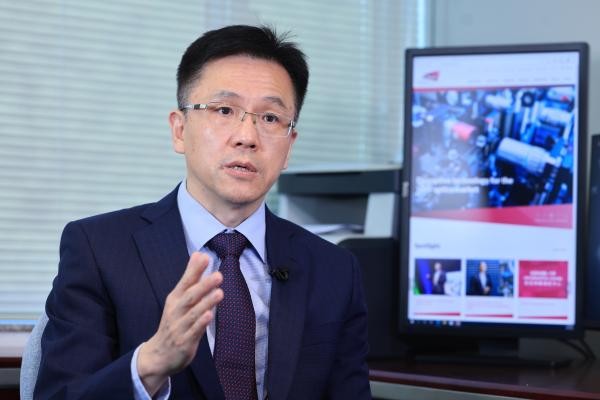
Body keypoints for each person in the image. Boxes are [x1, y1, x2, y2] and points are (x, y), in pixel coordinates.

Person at [34, 25, 372, 400]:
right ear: (179, 130)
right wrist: (151, 363)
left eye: (270, 118)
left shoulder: (334, 271)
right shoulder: (100, 249)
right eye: (224, 110)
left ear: (289, 145)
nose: (247, 136)